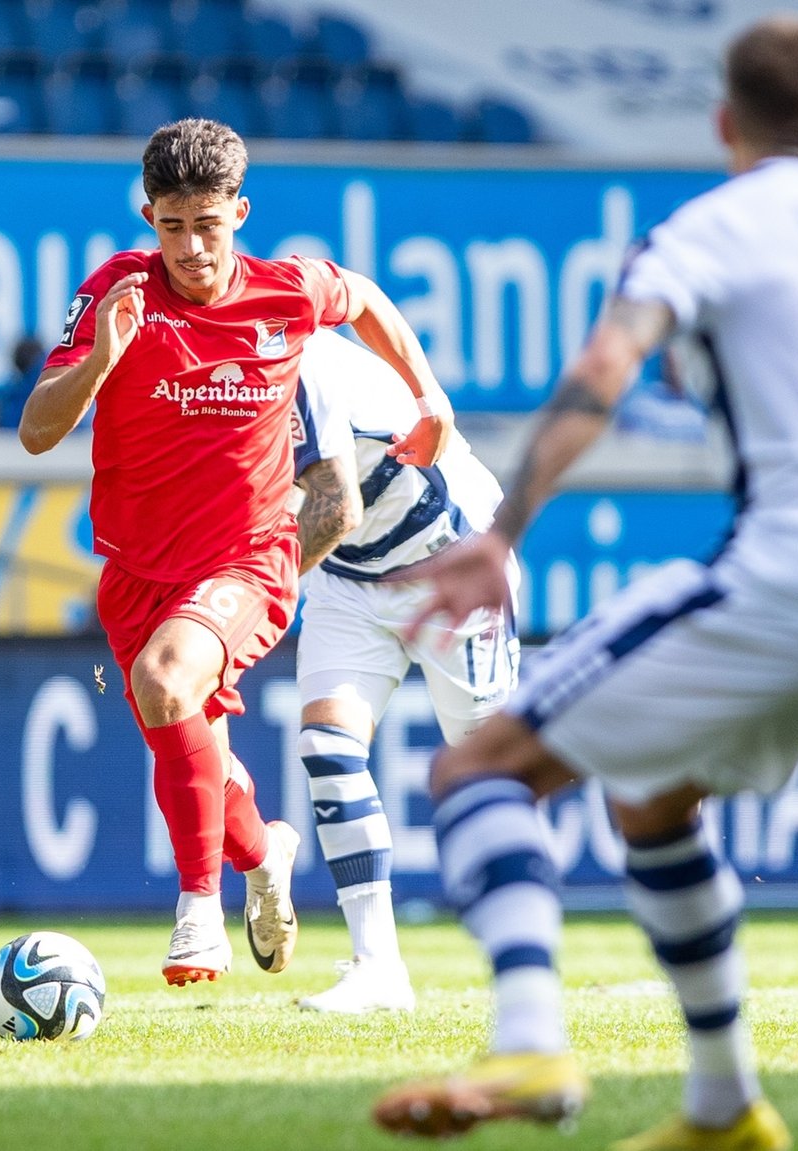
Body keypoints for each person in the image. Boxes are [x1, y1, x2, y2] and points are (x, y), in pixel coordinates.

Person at [371, 16, 798, 1151]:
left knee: (476, 765)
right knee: (651, 799)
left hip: (784, 570)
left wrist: (502, 533)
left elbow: (601, 367)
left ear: (725, 124)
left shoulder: (708, 227)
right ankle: (725, 1107)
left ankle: (529, 1034)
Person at [19, 119, 453, 986]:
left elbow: (362, 297)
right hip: (138, 569)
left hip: (249, 560)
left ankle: (197, 915)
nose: (189, 247)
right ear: (149, 216)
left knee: (167, 679)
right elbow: (35, 431)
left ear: (240, 212)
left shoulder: (286, 293)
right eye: (170, 226)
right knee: (194, 745)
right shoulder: (116, 292)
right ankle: (264, 857)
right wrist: (102, 359)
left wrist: (427, 391)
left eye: (207, 224)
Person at [287, 330, 518, 1015]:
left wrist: (251, 600)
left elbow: (336, 504)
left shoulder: (294, 363)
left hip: (450, 556)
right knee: (327, 745)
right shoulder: (211, 379)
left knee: (496, 767)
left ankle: (650, 789)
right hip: (349, 575)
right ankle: (377, 965)